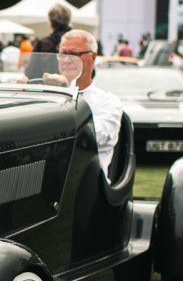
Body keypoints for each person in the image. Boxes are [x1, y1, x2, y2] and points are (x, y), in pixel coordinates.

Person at [45, 30, 124, 179]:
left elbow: (90, 137)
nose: (66, 60)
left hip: (88, 185)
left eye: (74, 54)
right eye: (62, 54)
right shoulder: (48, 95)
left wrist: (63, 93)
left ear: (92, 57)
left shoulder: (108, 102)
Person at [25, 3, 72, 79]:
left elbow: (30, 73)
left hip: (48, 89)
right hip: (73, 88)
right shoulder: (78, 43)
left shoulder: (42, 45)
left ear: (50, 22)